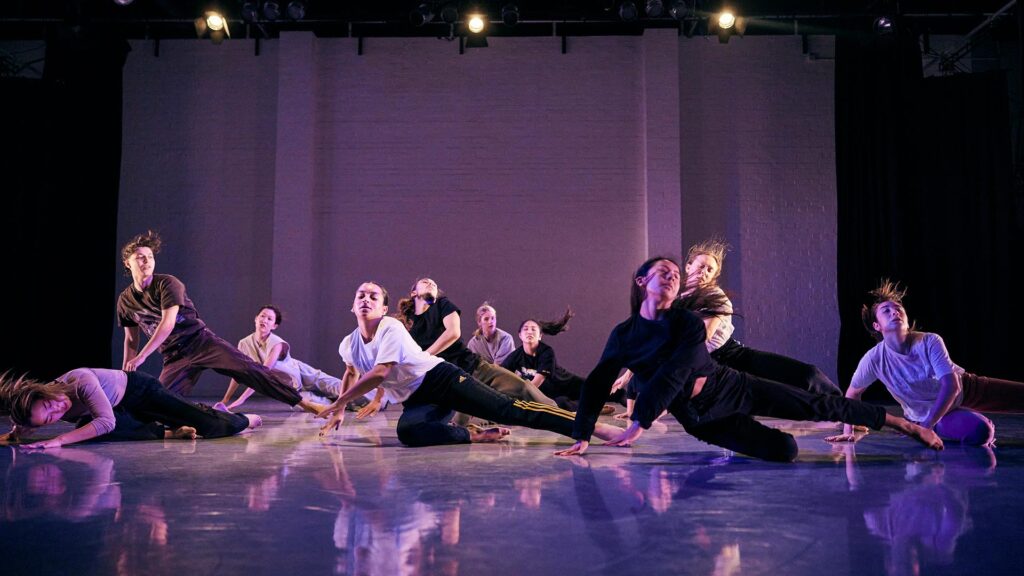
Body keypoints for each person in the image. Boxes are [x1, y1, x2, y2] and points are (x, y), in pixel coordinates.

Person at [555, 256, 943, 462]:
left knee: (817, 403)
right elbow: (597, 381)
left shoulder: (688, 322)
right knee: (784, 452)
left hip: (732, 386)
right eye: (663, 272)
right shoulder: (624, 335)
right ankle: (777, 437)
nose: (672, 277)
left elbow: (675, 372)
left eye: (676, 273)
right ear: (642, 282)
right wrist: (582, 434)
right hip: (702, 418)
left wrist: (638, 423)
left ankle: (903, 425)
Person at [317, 282, 624, 447]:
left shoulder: (391, 327)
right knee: (409, 433)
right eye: (361, 295)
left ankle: (590, 426)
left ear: (384, 308)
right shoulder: (349, 344)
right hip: (417, 399)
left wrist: (340, 401)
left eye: (373, 296)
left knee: (511, 409)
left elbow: (380, 373)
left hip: (441, 378)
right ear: (353, 304)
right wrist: (341, 409)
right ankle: (472, 436)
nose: (366, 300)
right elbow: (351, 372)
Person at [612, 239, 840, 420]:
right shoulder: (674, 299)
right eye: (701, 266)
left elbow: (705, 336)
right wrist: (628, 373)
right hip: (703, 365)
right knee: (636, 388)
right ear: (688, 266)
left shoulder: (716, 297)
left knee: (807, 374)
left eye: (710, 270)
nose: (704, 272)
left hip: (730, 355)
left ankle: (842, 407)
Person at [116, 231, 325, 415]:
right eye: (140, 258)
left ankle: (307, 404)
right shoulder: (125, 301)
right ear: (128, 263)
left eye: (150, 257)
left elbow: (168, 323)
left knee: (249, 370)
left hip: (201, 342)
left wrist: (142, 357)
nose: (147, 262)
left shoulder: (168, 284)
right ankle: (200, 420)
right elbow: (130, 340)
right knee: (160, 399)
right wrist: (127, 374)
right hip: (174, 355)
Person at [825, 280, 1024, 446]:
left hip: (966, 389)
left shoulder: (929, 341)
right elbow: (853, 393)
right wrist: (848, 429)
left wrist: (924, 428)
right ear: (877, 326)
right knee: (982, 432)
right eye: (886, 310)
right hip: (931, 414)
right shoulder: (874, 359)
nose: (895, 312)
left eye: (898, 309)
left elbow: (951, 385)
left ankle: (933, 422)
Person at [393, 278, 556, 410]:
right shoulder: (406, 325)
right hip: (447, 383)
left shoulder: (442, 305)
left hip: (473, 368)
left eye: (434, 284)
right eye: (426, 281)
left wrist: (423, 357)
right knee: (461, 418)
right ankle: (475, 431)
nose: (431, 283)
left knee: (524, 388)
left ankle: (569, 419)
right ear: (414, 292)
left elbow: (453, 333)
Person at [0, 368, 260, 449]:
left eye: (49, 405)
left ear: (44, 391)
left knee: (213, 427)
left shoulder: (79, 381)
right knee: (87, 429)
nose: (56, 412)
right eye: (49, 419)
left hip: (142, 392)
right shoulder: (34, 411)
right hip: (120, 408)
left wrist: (58, 441)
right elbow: (24, 422)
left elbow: (106, 422)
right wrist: (14, 434)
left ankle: (244, 419)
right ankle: (171, 433)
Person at [218, 305, 370, 412]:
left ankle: (377, 399)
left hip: (303, 373)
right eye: (262, 316)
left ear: (274, 325)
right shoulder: (244, 343)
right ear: (256, 319)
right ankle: (351, 406)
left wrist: (241, 400)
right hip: (291, 387)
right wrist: (226, 400)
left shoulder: (276, 343)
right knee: (320, 404)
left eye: (269, 319)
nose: (264, 320)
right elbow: (237, 374)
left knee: (339, 387)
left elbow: (262, 372)